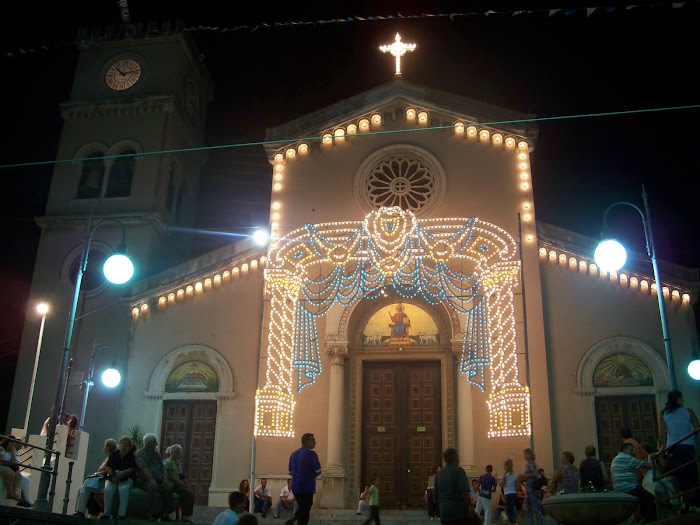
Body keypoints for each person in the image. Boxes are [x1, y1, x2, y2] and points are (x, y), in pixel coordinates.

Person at [659, 389, 699, 511]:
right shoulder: (688, 412)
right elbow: (697, 428)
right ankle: (695, 504)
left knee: (680, 476)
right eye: (681, 398)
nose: (684, 400)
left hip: (673, 449)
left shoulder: (664, 414)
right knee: (692, 475)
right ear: (677, 399)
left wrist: (664, 449)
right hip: (688, 447)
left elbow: (661, 434)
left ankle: (685, 504)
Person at [611, 442, 656, 524]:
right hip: (629, 488)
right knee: (650, 499)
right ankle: (650, 522)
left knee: (642, 501)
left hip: (619, 490)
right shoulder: (627, 458)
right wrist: (650, 457)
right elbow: (647, 466)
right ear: (624, 449)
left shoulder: (616, 459)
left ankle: (641, 520)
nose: (632, 452)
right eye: (631, 450)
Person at [134, 433, 174, 521]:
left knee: (168, 488)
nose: (156, 443)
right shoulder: (140, 454)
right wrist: (151, 480)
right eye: (154, 442)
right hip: (144, 480)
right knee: (152, 487)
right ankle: (148, 513)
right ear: (148, 443)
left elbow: (163, 467)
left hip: (157, 479)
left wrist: (165, 479)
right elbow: (144, 468)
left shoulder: (156, 454)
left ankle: (165, 514)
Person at [74, 438, 118, 517]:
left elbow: (107, 471)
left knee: (86, 486)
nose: (103, 448)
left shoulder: (113, 458)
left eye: (105, 446)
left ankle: (81, 512)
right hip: (100, 478)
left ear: (108, 447)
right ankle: (79, 511)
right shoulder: (107, 458)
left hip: (104, 480)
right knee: (81, 488)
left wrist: (95, 474)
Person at [287, 433, 322, 525]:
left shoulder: (293, 454)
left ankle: (293, 519)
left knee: (303, 508)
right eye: (313, 440)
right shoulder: (312, 454)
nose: (315, 442)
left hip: (295, 487)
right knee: (305, 513)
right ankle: (293, 520)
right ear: (306, 441)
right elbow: (318, 471)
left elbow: (290, 472)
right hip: (307, 487)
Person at [433, 447, 474, 525]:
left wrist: (438, 510)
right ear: (455, 458)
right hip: (458, 512)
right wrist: (470, 507)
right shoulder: (459, 471)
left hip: (444, 513)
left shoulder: (439, 474)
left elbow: (436, 495)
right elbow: (465, 492)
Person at [102, 435, 138, 520]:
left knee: (124, 489)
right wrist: (112, 474)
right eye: (122, 443)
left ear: (129, 446)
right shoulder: (114, 454)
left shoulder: (131, 456)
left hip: (125, 478)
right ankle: (107, 513)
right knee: (108, 490)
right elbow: (108, 466)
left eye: (126, 444)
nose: (123, 445)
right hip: (113, 478)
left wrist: (121, 474)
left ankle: (121, 514)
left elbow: (132, 468)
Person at [164, 444, 194, 522]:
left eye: (179, 452)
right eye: (177, 452)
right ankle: (185, 516)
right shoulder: (169, 462)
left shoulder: (177, 462)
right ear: (172, 452)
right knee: (188, 494)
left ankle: (184, 516)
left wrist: (184, 480)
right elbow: (172, 477)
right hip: (171, 485)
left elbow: (179, 474)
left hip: (176, 484)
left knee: (186, 493)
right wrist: (182, 484)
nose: (179, 454)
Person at [518, 448, 543, 525]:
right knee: (526, 507)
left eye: (526, 454)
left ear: (530, 455)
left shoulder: (531, 463)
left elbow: (535, 474)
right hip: (529, 490)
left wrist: (525, 475)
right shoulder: (528, 464)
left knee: (536, 509)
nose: (524, 456)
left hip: (533, 491)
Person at [0, 436, 23, 502]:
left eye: (13, 444)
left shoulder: (12, 451)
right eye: (11, 444)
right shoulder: (1, 449)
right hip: (2, 465)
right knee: (10, 473)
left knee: (19, 475)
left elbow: (14, 461)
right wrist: (12, 464)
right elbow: (1, 461)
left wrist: (12, 451)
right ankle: (9, 492)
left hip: (8, 465)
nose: (13, 445)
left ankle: (14, 493)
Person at [499, 459, 518, 524]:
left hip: (508, 494)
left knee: (508, 510)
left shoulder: (506, 475)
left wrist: (497, 480)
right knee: (511, 509)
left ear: (506, 466)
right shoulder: (515, 475)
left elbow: (502, 484)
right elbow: (516, 485)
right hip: (514, 494)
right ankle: (513, 521)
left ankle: (510, 522)